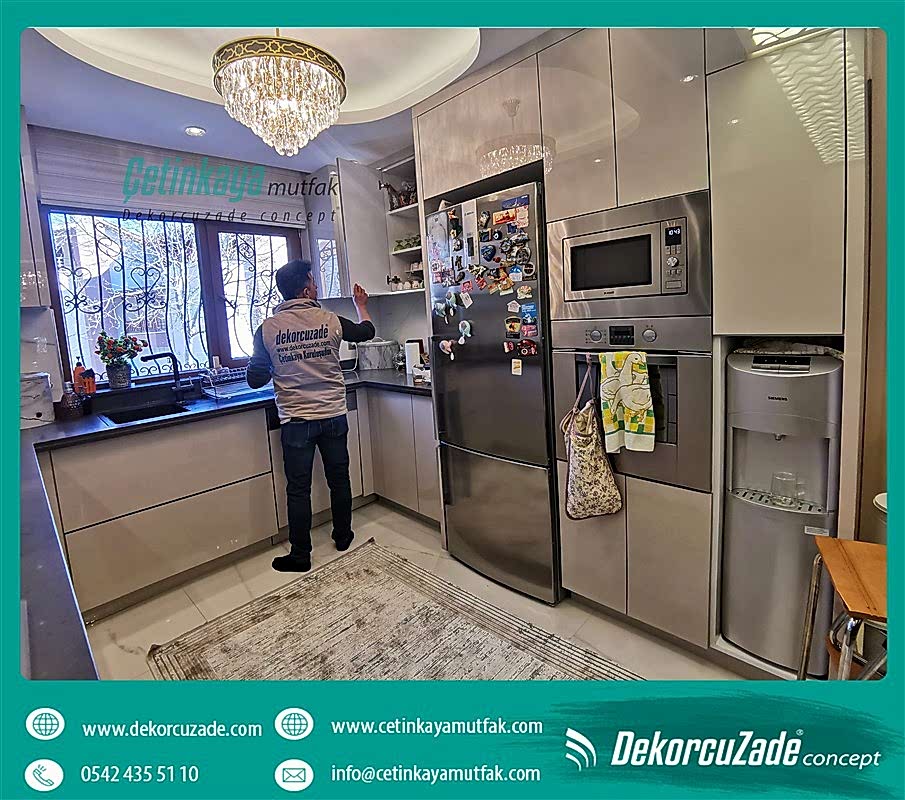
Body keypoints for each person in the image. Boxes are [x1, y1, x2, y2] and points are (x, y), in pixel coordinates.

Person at [246, 259, 375, 572]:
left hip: (296, 421)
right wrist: (361, 305)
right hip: (333, 415)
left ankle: (300, 555)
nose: (317, 287)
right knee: (339, 479)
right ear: (305, 290)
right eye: (313, 282)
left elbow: (254, 379)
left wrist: (279, 360)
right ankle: (343, 536)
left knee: (298, 489)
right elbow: (366, 332)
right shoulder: (330, 320)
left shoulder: (267, 329)